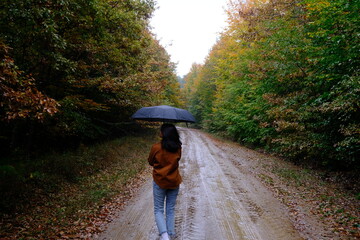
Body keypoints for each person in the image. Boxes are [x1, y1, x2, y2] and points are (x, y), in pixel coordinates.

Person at [148, 123, 182, 240]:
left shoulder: (156, 147)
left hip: (159, 181)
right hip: (174, 181)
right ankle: (171, 233)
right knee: (170, 208)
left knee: (158, 209)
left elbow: (150, 161)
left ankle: (164, 235)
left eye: (161, 130)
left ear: (163, 133)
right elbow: (177, 160)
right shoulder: (178, 147)